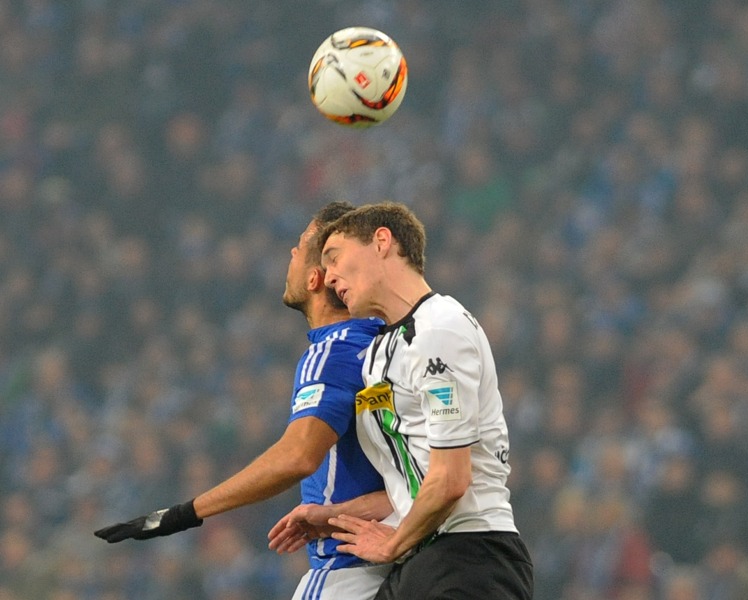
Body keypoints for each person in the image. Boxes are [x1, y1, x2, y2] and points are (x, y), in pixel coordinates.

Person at [94, 201, 396, 600]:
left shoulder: (333, 353)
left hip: (348, 573)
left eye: (301, 245)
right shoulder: (388, 342)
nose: (290, 253)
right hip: (401, 564)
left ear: (317, 279)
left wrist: (185, 513)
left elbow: (297, 457)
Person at [313, 201, 534, 599]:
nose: (329, 277)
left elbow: (450, 479)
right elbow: (412, 479)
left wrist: (392, 544)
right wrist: (331, 517)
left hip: (470, 556)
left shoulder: (440, 329)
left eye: (335, 257)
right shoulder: (384, 349)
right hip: (420, 558)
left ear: (382, 241)